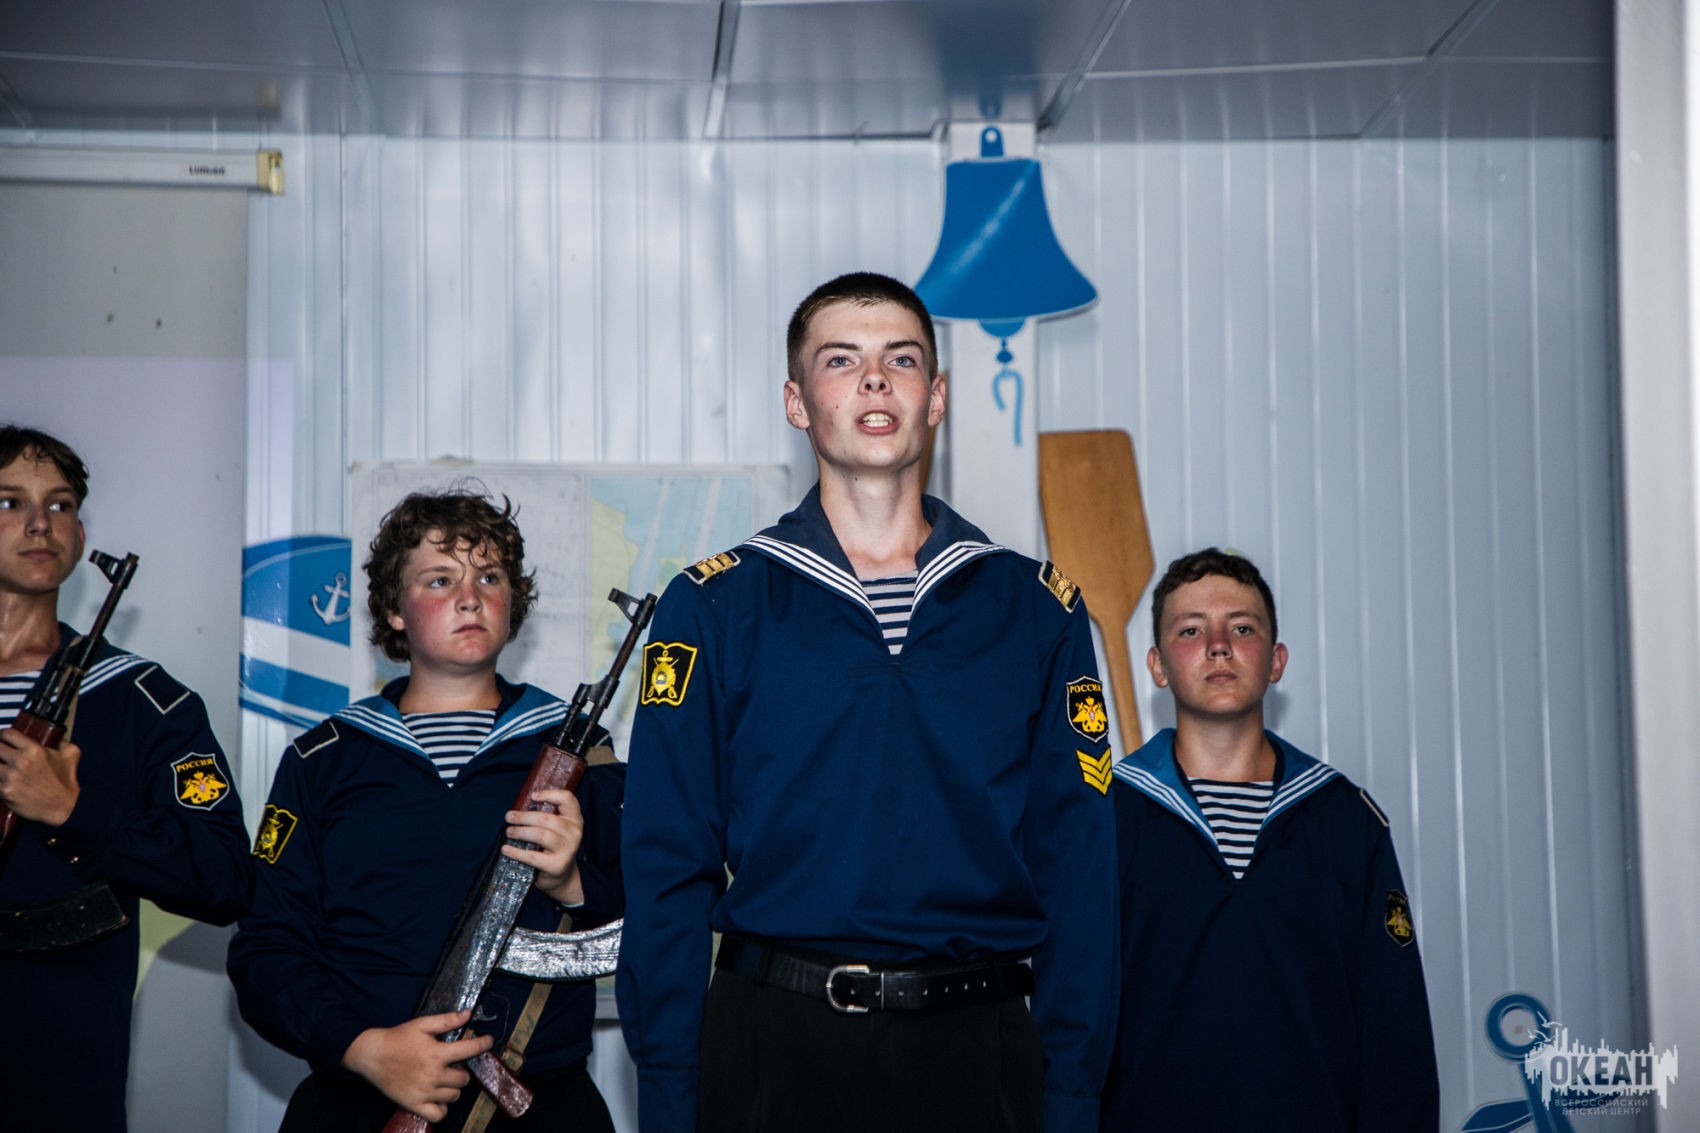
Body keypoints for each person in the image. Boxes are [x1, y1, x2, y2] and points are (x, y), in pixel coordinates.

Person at [617, 272, 1118, 1133]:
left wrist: (1071, 1096)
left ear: (937, 397)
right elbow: (665, 868)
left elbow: (1082, 873)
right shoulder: (712, 607)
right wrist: (670, 1095)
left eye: (902, 359)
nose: (876, 379)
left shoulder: (1037, 609)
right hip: (774, 1051)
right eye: (841, 360)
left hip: (978, 1056)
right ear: (797, 402)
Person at [227, 488, 624, 1131]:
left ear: (513, 602)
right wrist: (363, 1048)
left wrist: (573, 884)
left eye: (489, 576)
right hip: (356, 1100)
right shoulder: (323, 759)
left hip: (541, 1102)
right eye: (440, 580)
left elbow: (654, 920)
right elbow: (266, 951)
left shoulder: (583, 754)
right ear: (394, 610)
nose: (470, 597)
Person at [1101, 548, 1439, 1131]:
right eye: (1191, 630)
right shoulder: (1107, 817)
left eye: (1242, 628)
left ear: (1276, 661)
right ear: (1157, 666)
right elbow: (1073, 1020)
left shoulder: (1344, 821)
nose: (1218, 646)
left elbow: (1396, 1031)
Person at [0, 423, 251, 1132]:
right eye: (9, 502)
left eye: (60, 504)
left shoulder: (146, 701)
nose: (40, 522)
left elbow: (226, 877)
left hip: (60, 1054)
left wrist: (76, 812)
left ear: (80, 537)